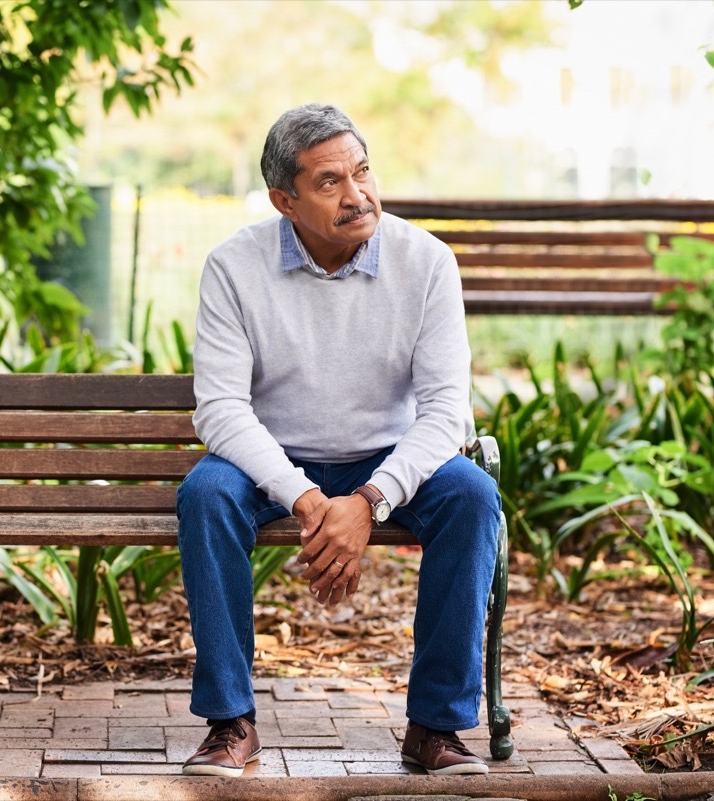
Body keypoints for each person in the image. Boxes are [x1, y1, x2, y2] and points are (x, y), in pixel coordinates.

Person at [176, 103, 501, 778]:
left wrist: (369, 500)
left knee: (473, 494)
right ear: (284, 200)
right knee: (205, 493)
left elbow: (446, 412)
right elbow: (221, 411)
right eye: (330, 182)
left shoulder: (427, 262)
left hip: (391, 458)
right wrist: (305, 498)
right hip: (275, 460)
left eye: (362, 172)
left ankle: (435, 727)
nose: (357, 195)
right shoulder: (235, 267)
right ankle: (230, 723)